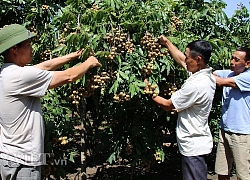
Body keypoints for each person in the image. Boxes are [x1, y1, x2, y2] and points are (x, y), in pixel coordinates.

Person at [0, 24, 101, 179]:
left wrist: (72, 56)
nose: (32, 48)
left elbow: (44, 66)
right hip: (23, 161)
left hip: (9, 157)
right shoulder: (19, 77)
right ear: (14, 49)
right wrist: (89, 62)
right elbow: (68, 77)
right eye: (28, 45)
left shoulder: (8, 73)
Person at [146, 35, 216, 180]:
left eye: (187, 57)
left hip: (193, 145)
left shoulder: (196, 85)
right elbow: (180, 59)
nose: (185, 59)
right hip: (197, 141)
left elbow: (167, 105)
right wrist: (167, 43)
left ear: (198, 60)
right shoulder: (205, 74)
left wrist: (148, 91)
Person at [213, 47, 250, 180]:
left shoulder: (247, 77)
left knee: (243, 174)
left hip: (242, 133)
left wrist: (203, 72)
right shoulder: (230, 73)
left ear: (247, 64)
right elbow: (212, 74)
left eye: (236, 59)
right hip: (225, 129)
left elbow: (220, 81)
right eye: (232, 58)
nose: (232, 61)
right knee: (222, 171)